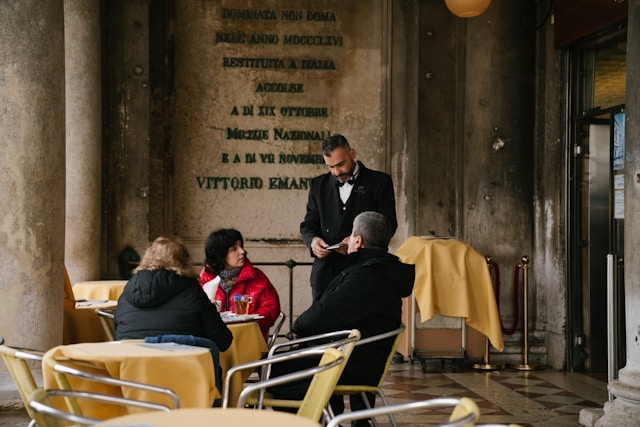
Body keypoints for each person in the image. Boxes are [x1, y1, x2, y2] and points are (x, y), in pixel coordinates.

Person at [270, 211, 415, 426]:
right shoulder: (379, 269)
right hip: (357, 356)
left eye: (351, 235)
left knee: (273, 370)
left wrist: (298, 327)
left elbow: (325, 311)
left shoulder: (367, 275)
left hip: (351, 362)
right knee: (280, 363)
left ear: (358, 240)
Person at [114, 236, 233, 399]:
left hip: (135, 383)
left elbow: (118, 333)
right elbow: (223, 340)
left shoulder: (126, 293)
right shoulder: (192, 291)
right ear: (184, 260)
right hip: (185, 382)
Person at [300, 134, 398, 300]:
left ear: (352, 154)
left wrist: (357, 241)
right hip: (326, 274)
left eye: (340, 164)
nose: (336, 172)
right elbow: (309, 224)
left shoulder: (380, 182)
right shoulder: (318, 185)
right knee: (324, 325)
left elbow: (388, 225)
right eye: (330, 167)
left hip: (364, 270)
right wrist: (313, 241)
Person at [198, 228, 281, 342]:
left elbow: (272, 308)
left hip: (248, 340)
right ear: (220, 254)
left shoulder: (256, 276)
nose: (242, 251)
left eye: (241, 246)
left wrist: (249, 322)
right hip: (214, 341)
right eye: (234, 249)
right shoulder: (204, 280)